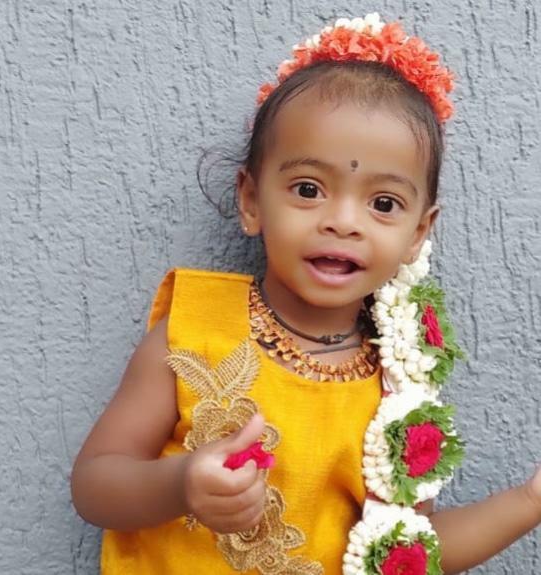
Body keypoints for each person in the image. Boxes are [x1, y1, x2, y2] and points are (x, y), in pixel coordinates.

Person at [71, 13, 541, 575]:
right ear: (251, 200)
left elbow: (410, 550)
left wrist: (529, 501)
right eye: (308, 189)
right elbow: (95, 484)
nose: (342, 221)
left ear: (418, 232)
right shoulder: (195, 332)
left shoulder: (401, 391)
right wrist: (181, 484)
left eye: (383, 204)